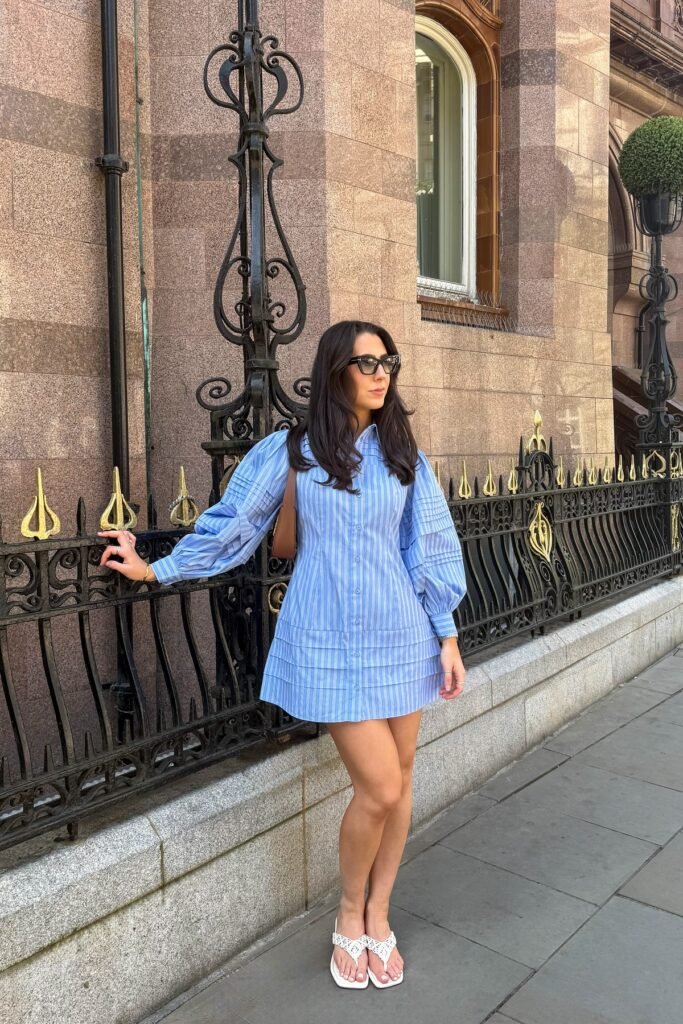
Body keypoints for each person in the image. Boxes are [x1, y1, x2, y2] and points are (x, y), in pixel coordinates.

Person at [98, 319, 467, 991]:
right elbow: (236, 524)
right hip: (328, 641)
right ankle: (347, 914)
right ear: (335, 371)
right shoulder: (292, 450)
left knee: (401, 783)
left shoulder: (402, 451)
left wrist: (445, 635)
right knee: (378, 787)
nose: (381, 372)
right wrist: (158, 568)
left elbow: (428, 546)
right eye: (366, 362)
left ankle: (378, 916)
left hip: (403, 637)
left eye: (388, 360)